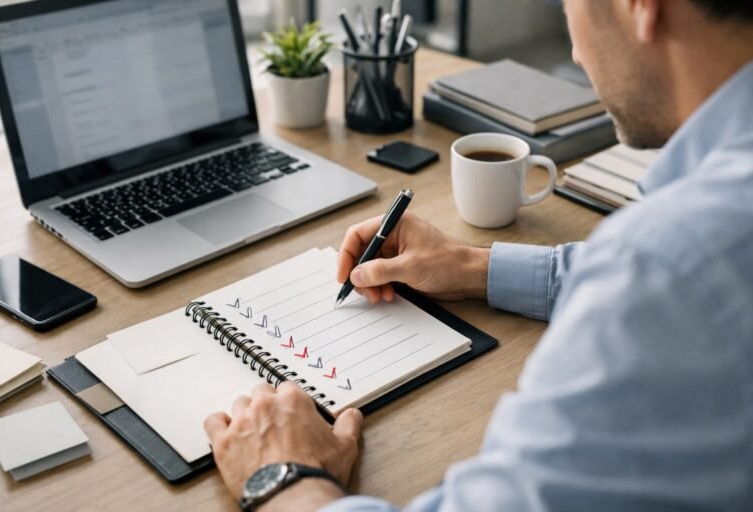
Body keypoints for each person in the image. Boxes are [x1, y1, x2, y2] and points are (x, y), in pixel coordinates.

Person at [203, 0, 753, 510]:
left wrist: (281, 477)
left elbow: (669, 275)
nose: (574, 50)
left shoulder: (667, 266)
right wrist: (472, 267)